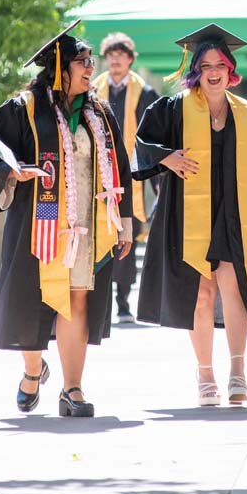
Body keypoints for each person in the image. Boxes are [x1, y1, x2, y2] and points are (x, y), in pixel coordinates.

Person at [0, 20, 133, 418]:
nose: (90, 68)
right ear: (61, 67)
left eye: (90, 60)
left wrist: (125, 222)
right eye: (83, 61)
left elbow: (120, 166)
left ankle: (72, 389)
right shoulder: (23, 110)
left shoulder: (97, 112)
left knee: (77, 300)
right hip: (40, 218)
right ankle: (33, 372)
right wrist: (14, 172)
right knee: (32, 298)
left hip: (86, 222)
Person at [133, 24, 247, 406]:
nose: (213, 71)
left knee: (233, 287)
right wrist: (166, 157)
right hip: (187, 212)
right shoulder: (171, 109)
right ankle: (205, 375)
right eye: (205, 65)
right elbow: (141, 143)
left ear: (231, 70)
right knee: (201, 293)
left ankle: (237, 371)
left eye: (220, 64)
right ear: (195, 71)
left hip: (235, 212)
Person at [91, 32, 160, 324]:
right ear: (105, 59)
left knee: (126, 235)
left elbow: (153, 136)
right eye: (110, 56)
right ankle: (102, 300)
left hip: (132, 174)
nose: (115, 60)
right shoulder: (92, 90)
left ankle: (122, 301)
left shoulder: (145, 93)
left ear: (131, 59)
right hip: (99, 174)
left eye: (121, 56)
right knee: (100, 236)